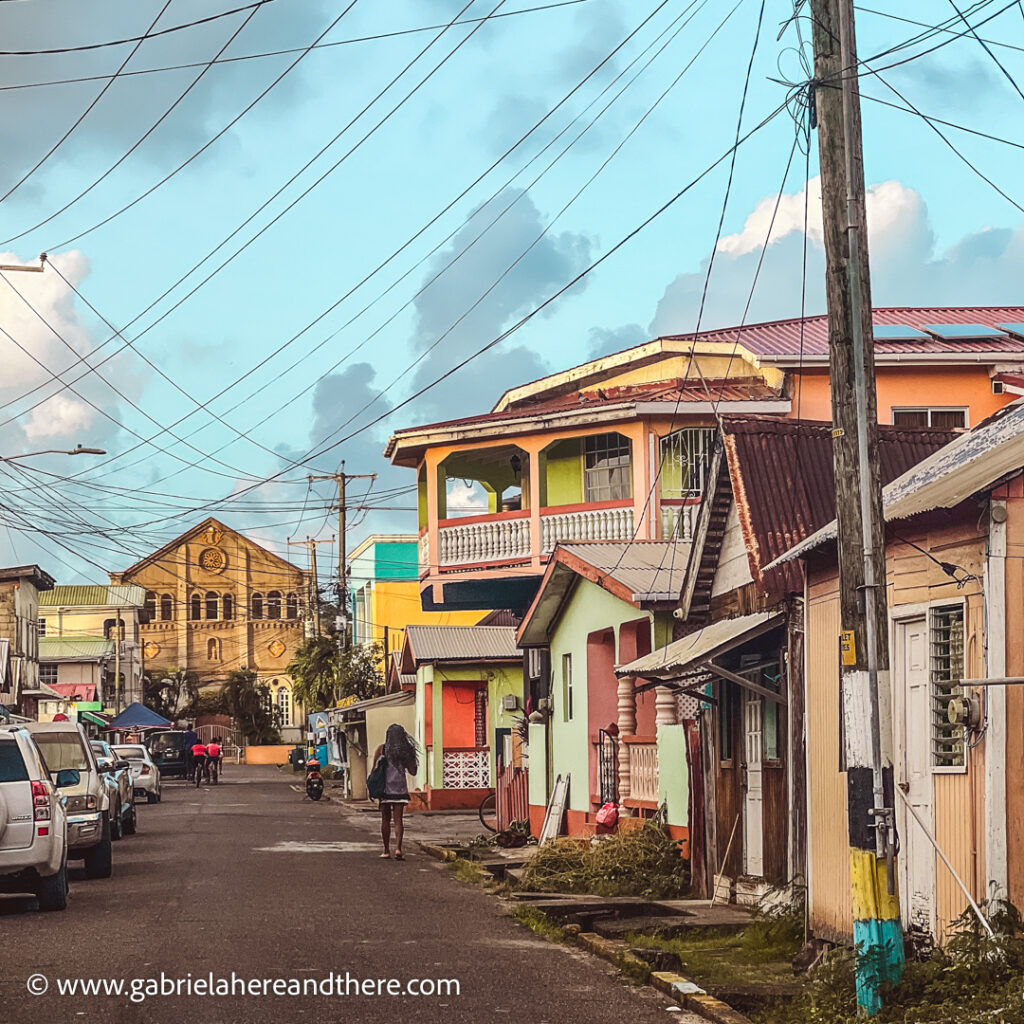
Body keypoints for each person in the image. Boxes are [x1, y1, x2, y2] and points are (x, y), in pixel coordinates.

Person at [371, 724, 418, 861]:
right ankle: (398, 849)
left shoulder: (382, 749)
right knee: (398, 820)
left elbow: (374, 769)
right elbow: (413, 771)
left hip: (385, 790)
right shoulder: (406, 752)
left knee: (385, 819)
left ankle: (386, 850)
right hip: (400, 790)